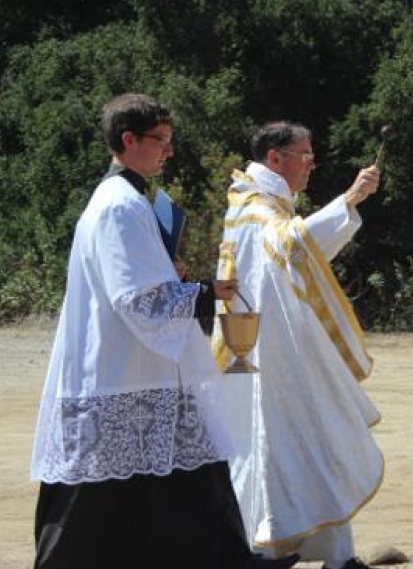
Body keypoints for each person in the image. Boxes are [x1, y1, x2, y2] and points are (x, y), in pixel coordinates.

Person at [30, 93, 299, 569]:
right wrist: (203, 292)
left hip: (140, 368)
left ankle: (230, 560)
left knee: (186, 474)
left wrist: (172, 274)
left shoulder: (128, 201)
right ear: (128, 140)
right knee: (94, 495)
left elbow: (137, 281)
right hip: (122, 369)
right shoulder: (118, 206)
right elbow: (138, 300)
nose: (169, 152)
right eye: (161, 141)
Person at [211, 122, 383, 569]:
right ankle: (267, 549)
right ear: (275, 157)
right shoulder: (255, 209)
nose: (311, 164)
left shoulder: (256, 203)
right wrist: (348, 200)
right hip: (271, 357)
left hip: (269, 349)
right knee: (286, 446)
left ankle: (333, 554)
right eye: (305, 155)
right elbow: (292, 248)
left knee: (305, 442)